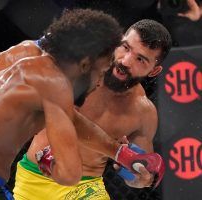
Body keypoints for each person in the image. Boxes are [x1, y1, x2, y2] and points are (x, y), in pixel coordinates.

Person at [0, 9, 125, 200]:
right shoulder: (55, 82)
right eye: (102, 71)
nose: (100, 82)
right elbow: (70, 174)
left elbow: (72, 120)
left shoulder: (17, 55)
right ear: (85, 64)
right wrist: (51, 166)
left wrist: (120, 152)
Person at [13, 19, 172, 200]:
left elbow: (134, 177)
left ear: (154, 71)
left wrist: (142, 178)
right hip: (33, 179)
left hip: (85, 188)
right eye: (126, 48)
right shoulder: (78, 68)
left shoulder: (144, 113)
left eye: (141, 59)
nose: (126, 61)